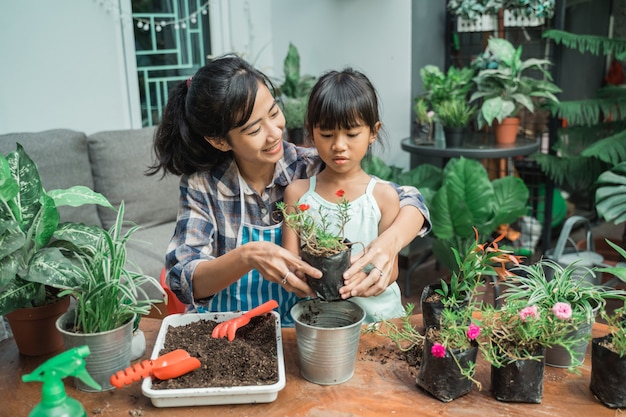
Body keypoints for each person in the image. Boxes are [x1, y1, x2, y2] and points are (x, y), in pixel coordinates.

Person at [148, 54, 430, 326]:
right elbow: (182, 278)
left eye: (273, 112)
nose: (274, 133)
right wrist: (248, 256)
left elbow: (409, 198)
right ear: (220, 141)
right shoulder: (203, 186)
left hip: (290, 327)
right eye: (253, 129)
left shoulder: (308, 166)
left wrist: (390, 242)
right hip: (227, 327)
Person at [281, 68, 404, 323]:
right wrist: (300, 277)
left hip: (380, 320)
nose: (338, 144)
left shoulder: (383, 196)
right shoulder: (297, 193)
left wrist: (365, 282)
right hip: (322, 320)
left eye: (351, 134)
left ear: (373, 132)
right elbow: (292, 264)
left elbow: (391, 270)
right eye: (327, 134)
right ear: (311, 132)